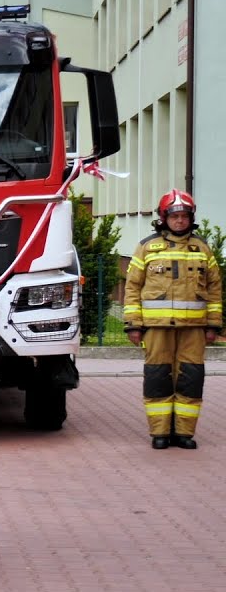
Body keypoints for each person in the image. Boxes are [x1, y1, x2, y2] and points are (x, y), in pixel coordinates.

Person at [123, 189, 221, 450]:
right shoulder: (147, 248)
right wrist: (133, 325)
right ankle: (160, 433)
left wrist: (213, 324)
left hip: (194, 329)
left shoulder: (202, 249)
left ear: (191, 218)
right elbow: (132, 288)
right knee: (158, 377)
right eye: (174, 216)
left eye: (184, 216)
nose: (180, 221)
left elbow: (214, 289)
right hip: (157, 328)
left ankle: (185, 433)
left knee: (190, 378)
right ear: (163, 218)